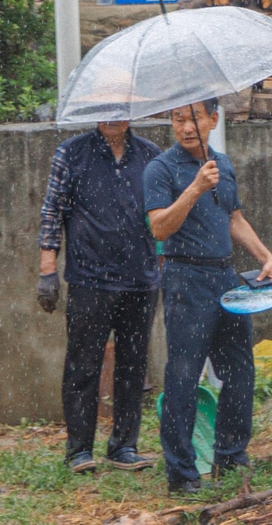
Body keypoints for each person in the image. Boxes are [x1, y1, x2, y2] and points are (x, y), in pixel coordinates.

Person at [144, 99, 272, 495]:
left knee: (239, 369)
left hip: (225, 275)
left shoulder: (224, 164)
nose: (186, 127)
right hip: (185, 276)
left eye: (194, 118)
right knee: (183, 376)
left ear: (213, 120)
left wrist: (265, 255)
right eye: (178, 119)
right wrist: (194, 189)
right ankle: (181, 473)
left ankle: (231, 455)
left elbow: (234, 219)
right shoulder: (160, 168)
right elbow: (159, 228)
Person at [37, 120, 164, 474]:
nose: (112, 115)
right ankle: (79, 450)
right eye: (105, 105)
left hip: (140, 279)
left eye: (118, 106)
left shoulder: (151, 155)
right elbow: (52, 210)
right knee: (83, 364)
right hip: (90, 277)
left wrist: (163, 262)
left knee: (133, 365)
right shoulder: (72, 153)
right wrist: (48, 269)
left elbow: (161, 216)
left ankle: (124, 446)